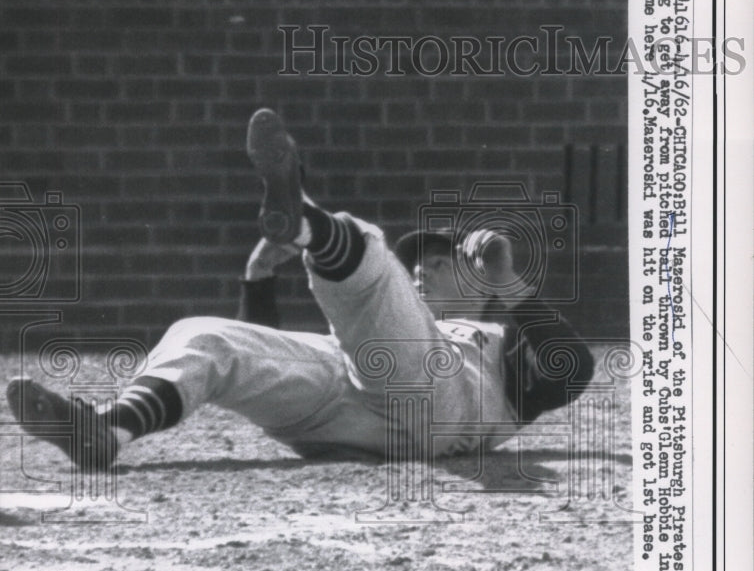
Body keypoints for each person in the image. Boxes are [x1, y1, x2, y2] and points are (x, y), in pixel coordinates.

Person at [7, 108, 594, 472]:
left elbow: (573, 370)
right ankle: (107, 431)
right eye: (421, 264)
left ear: (479, 284)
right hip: (350, 412)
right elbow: (261, 357)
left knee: (368, 249)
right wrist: (258, 279)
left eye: (441, 262)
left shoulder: (499, 339)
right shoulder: (392, 326)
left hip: (443, 405)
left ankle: (310, 220)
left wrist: (509, 281)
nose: (424, 269)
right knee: (203, 335)